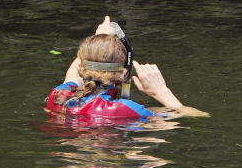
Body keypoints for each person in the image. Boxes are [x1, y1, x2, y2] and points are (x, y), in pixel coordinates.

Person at [46, 16, 207, 122]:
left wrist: (100, 40)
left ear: (81, 69)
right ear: (123, 73)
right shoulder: (123, 109)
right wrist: (160, 91)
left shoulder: (59, 95)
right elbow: (194, 115)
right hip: (109, 155)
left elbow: (73, 72)